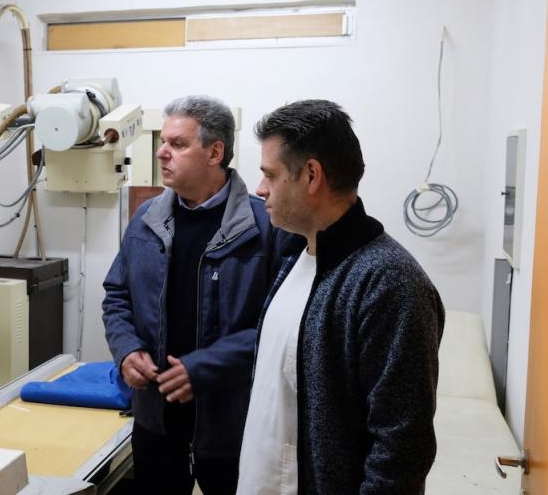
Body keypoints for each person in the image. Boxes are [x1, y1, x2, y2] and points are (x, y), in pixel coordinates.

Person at [236, 99, 445, 494]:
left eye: (270, 175)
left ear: (311, 175)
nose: (260, 190)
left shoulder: (390, 283)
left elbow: (402, 447)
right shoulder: (296, 256)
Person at [102, 95, 280, 494]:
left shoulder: (265, 228)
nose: (161, 152)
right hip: (155, 422)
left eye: (178, 144)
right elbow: (117, 294)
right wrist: (127, 350)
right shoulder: (146, 219)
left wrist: (206, 368)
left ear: (215, 152)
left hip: (232, 427)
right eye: (163, 142)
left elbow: (282, 327)